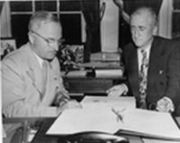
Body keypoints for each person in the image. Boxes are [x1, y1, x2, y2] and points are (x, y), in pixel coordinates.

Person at [2, 11, 80, 117]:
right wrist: (57, 111)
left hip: (43, 126)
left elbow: (59, 91)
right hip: (18, 130)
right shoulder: (11, 65)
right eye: (50, 41)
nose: (56, 48)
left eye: (59, 41)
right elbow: (13, 109)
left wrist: (63, 100)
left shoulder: (53, 61)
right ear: (32, 38)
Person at [107, 7, 180, 116]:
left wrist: (168, 100)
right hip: (138, 114)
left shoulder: (171, 48)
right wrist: (125, 87)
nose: (136, 34)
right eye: (133, 28)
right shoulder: (128, 51)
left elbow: (176, 80)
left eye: (141, 28)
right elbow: (140, 79)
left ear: (154, 29)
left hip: (165, 114)